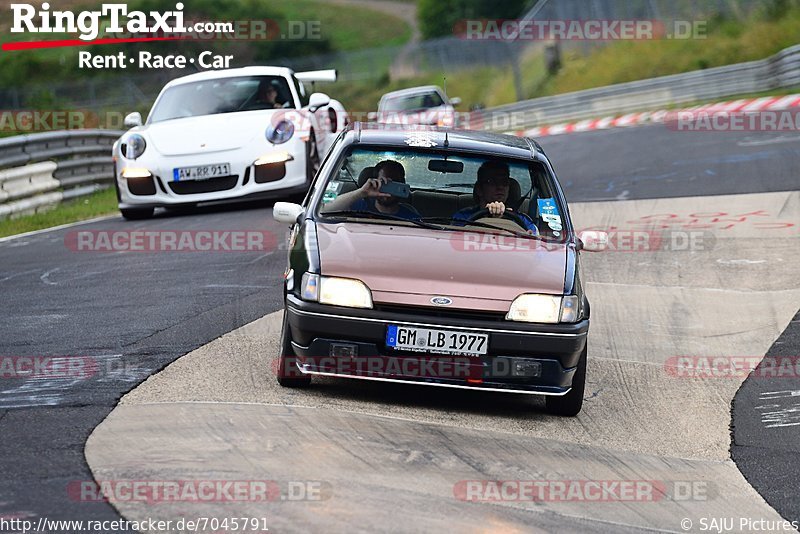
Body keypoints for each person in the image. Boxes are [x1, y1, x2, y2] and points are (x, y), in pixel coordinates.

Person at [453, 161, 538, 233]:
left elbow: (535, 245)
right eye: (492, 182)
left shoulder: (524, 221)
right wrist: (486, 218)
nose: (500, 187)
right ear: (479, 189)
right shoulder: (463, 217)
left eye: (504, 182)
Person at [322, 160, 421, 220]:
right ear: (375, 182)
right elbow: (323, 210)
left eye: (394, 183)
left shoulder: (411, 217)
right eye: (383, 182)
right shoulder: (356, 205)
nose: (388, 188)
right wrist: (361, 192)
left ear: (402, 184)